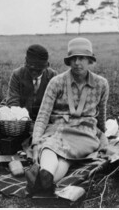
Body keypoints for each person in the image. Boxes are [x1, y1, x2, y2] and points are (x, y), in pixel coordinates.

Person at [26, 37, 110, 196]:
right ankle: (45, 179)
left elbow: (101, 115)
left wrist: (103, 135)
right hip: (58, 129)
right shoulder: (56, 82)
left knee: (56, 149)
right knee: (50, 146)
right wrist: (36, 141)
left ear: (90, 60)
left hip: (84, 133)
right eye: (73, 59)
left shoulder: (101, 84)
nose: (77, 62)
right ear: (69, 61)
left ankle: (40, 180)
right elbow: (43, 114)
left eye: (82, 58)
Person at [4, 44, 58, 121]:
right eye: (30, 68)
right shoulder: (17, 75)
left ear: (46, 67)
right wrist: (23, 119)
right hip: (21, 120)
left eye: (38, 69)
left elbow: (57, 105)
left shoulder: (53, 76)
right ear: (26, 64)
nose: (34, 72)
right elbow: (13, 103)